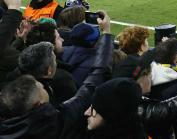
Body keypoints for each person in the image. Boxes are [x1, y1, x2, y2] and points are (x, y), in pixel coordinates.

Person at [0, 8, 114, 138]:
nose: (43, 86)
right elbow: (97, 76)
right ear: (39, 104)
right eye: (42, 87)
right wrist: (106, 32)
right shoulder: (58, 122)